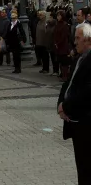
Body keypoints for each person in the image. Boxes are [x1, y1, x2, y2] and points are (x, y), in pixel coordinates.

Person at [58, 22, 91, 184]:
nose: (75, 42)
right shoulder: (78, 58)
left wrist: (66, 106)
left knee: (87, 168)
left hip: (87, 123)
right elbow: (67, 84)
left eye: (78, 38)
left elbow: (86, 92)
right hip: (76, 123)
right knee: (82, 167)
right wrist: (60, 104)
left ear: (88, 40)